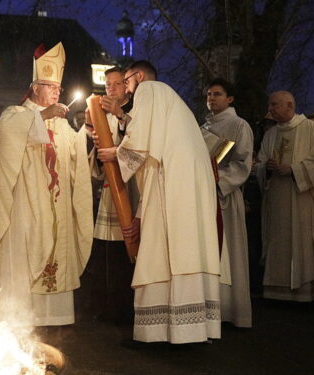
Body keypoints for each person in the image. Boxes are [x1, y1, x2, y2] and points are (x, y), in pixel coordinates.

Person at [111, 60, 220, 344]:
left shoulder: (150, 89)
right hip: (186, 178)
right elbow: (146, 135)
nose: (126, 87)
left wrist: (115, 153)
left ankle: (159, 332)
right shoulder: (170, 99)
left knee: (161, 246)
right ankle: (190, 329)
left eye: (126, 81)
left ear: (140, 76)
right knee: (186, 248)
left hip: (172, 177)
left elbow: (139, 143)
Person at [0, 42, 92, 327]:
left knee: (57, 248)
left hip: (57, 204)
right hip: (26, 205)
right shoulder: (16, 113)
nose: (56, 92)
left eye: (59, 88)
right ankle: (22, 320)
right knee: (28, 253)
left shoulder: (62, 124)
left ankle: (54, 319)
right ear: (35, 88)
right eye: (50, 87)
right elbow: (9, 133)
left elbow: (74, 160)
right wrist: (41, 117)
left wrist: (87, 134)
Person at [256, 91, 314, 302]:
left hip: (301, 198)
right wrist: (265, 168)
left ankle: (304, 293)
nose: (270, 109)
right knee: (278, 242)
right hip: (277, 198)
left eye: (274, 105)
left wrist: (294, 170)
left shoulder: (311, 129)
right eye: (270, 105)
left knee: (301, 241)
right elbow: (260, 162)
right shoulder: (270, 134)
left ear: (289, 106)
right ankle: (277, 291)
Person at [86, 67, 137, 323]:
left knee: (127, 249)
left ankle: (127, 307)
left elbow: (141, 144)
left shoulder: (136, 111)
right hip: (109, 190)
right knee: (107, 250)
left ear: (126, 87)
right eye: (108, 85)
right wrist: (96, 147)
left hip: (131, 189)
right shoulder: (100, 115)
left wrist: (119, 117)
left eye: (117, 84)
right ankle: (107, 305)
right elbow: (97, 159)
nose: (112, 89)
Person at [202, 78, 253, 328]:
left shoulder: (239, 125)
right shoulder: (202, 126)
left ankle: (233, 310)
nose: (211, 98)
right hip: (204, 196)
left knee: (229, 249)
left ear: (230, 99)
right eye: (209, 94)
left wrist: (216, 180)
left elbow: (243, 163)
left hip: (225, 196)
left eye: (217, 94)